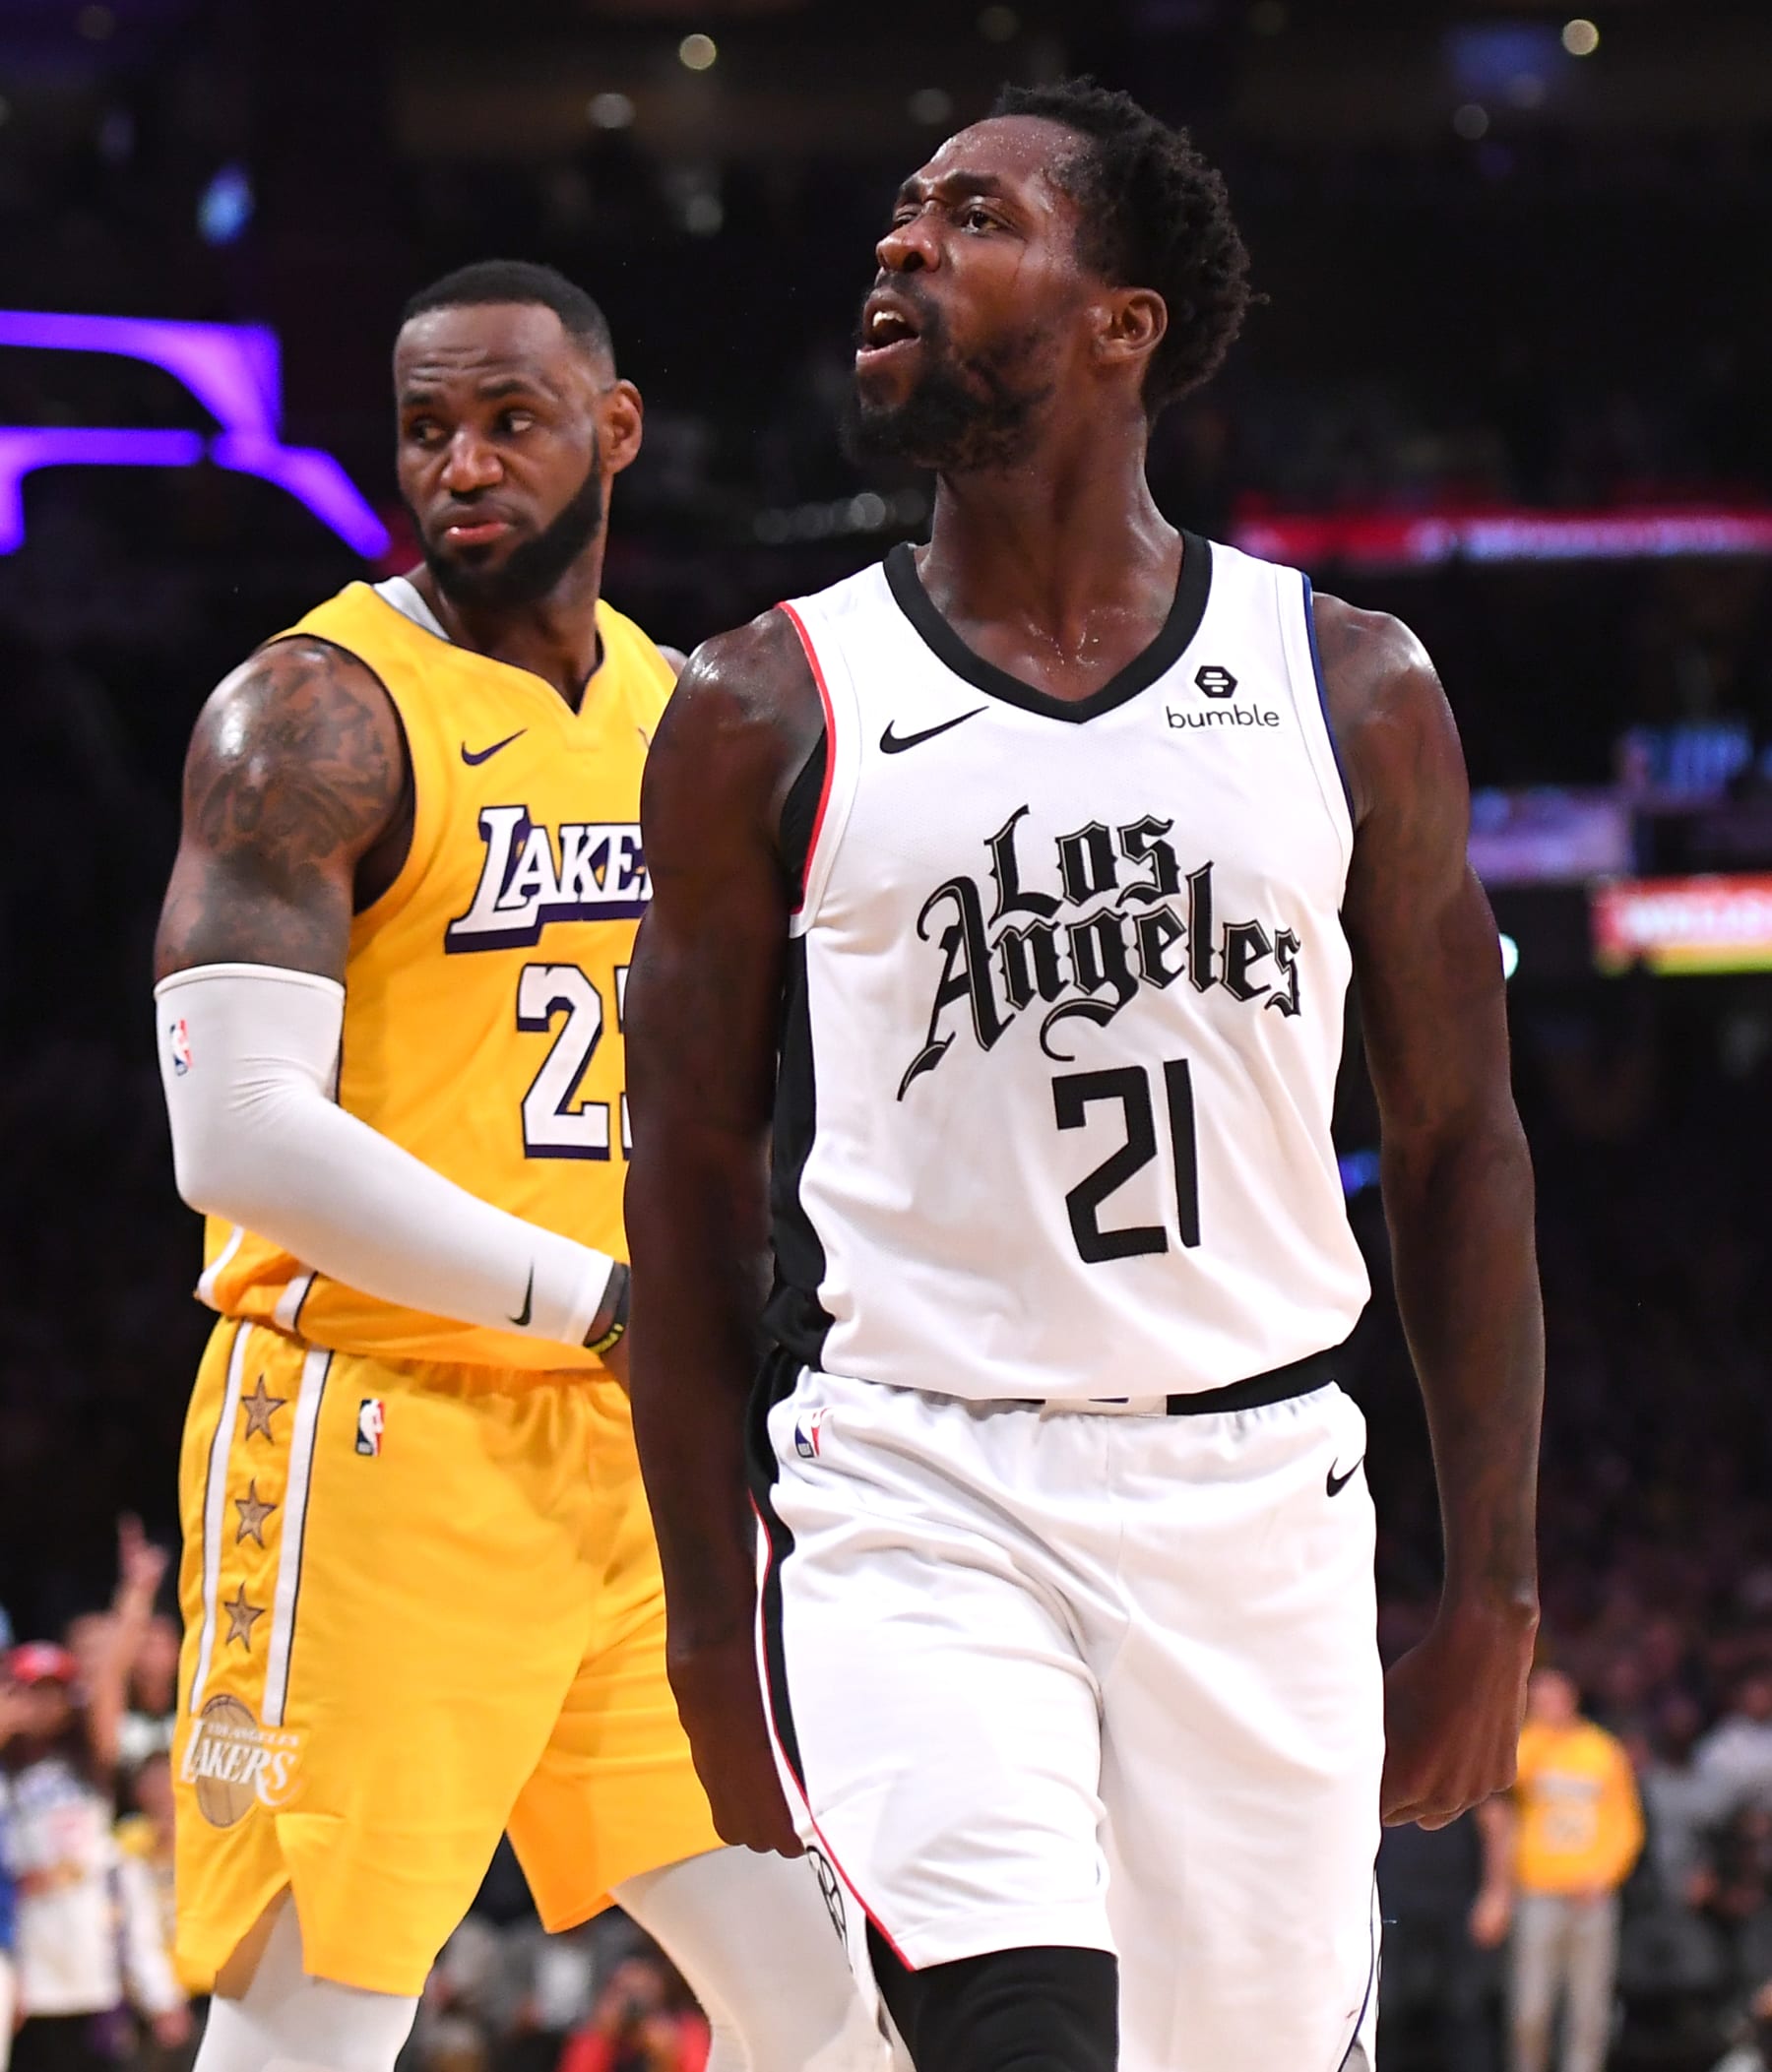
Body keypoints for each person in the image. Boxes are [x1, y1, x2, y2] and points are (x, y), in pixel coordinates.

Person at [623, 79, 1544, 2072]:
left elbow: (1463, 1140)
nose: (901, 244)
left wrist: (1499, 1586)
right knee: (1017, 2024)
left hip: (1259, 1493)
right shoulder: (762, 703)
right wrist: (710, 1622)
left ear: (1125, 318)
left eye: (974, 215)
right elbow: (685, 1186)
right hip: (913, 1485)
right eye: (896, 214)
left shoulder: (1351, 685)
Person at [153, 260, 884, 2072]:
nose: (461, 465)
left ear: (615, 433)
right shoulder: (312, 710)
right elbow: (233, 1135)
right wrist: (599, 1296)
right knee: (312, 2038)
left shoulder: (693, 717)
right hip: (376, 1437)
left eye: (509, 421)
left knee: (832, 2016)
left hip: (628, 1464)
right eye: (424, 429)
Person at [0, 1644, 189, 2072]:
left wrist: (136, 1591)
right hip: (25, 1966)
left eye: (54, 1692)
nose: (42, 1704)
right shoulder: (6, 1768)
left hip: (92, 1963)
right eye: (29, 1692)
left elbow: (110, 1678)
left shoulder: (90, 1761)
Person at [1506, 1667, 1644, 2072]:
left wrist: (1605, 1875)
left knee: (1589, 2008)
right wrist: (1537, 1732)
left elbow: (1627, 1824)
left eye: (1553, 1696)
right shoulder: (1523, 1745)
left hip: (1592, 1894)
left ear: (1572, 1697)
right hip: (1538, 1892)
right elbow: (1503, 1792)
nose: (1547, 1704)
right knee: (1530, 2007)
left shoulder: (1602, 1750)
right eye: (1538, 1697)